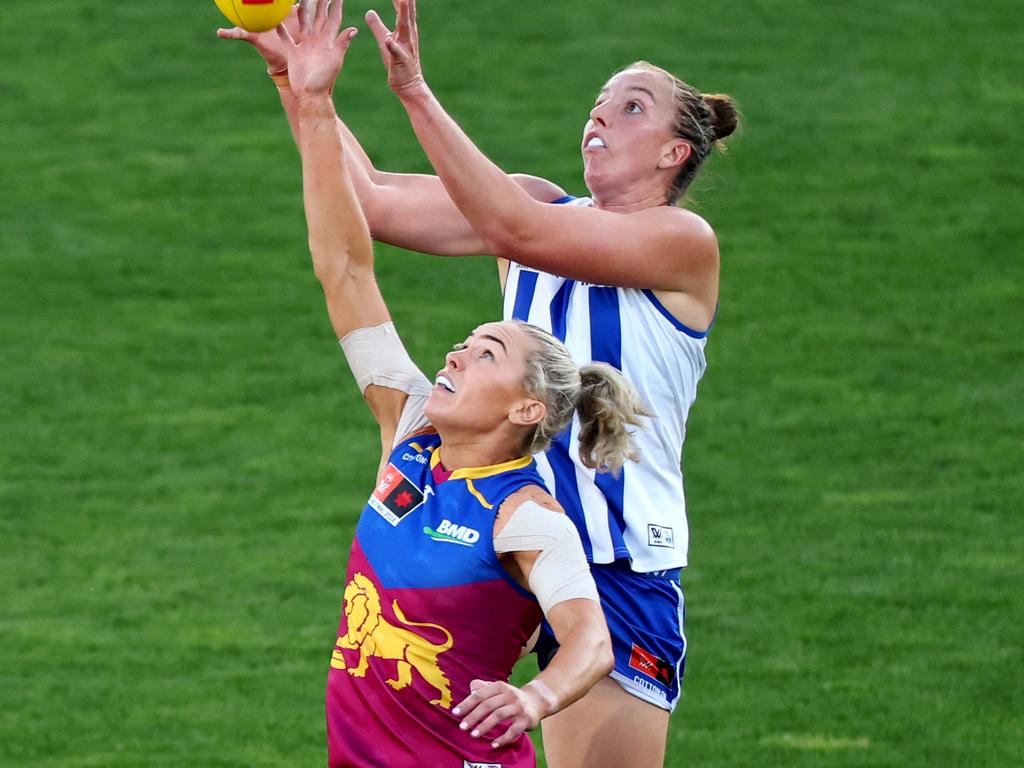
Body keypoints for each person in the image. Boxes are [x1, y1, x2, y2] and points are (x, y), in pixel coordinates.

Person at [218, 2, 739, 765]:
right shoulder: (529, 203)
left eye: (633, 108)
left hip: (611, 559)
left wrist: (414, 91)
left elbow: (515, 233)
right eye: (600, 100)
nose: (602, 113)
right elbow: (364, 201)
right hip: (487, 536)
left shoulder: (681, 243)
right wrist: (292, 78)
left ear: (674, 154)